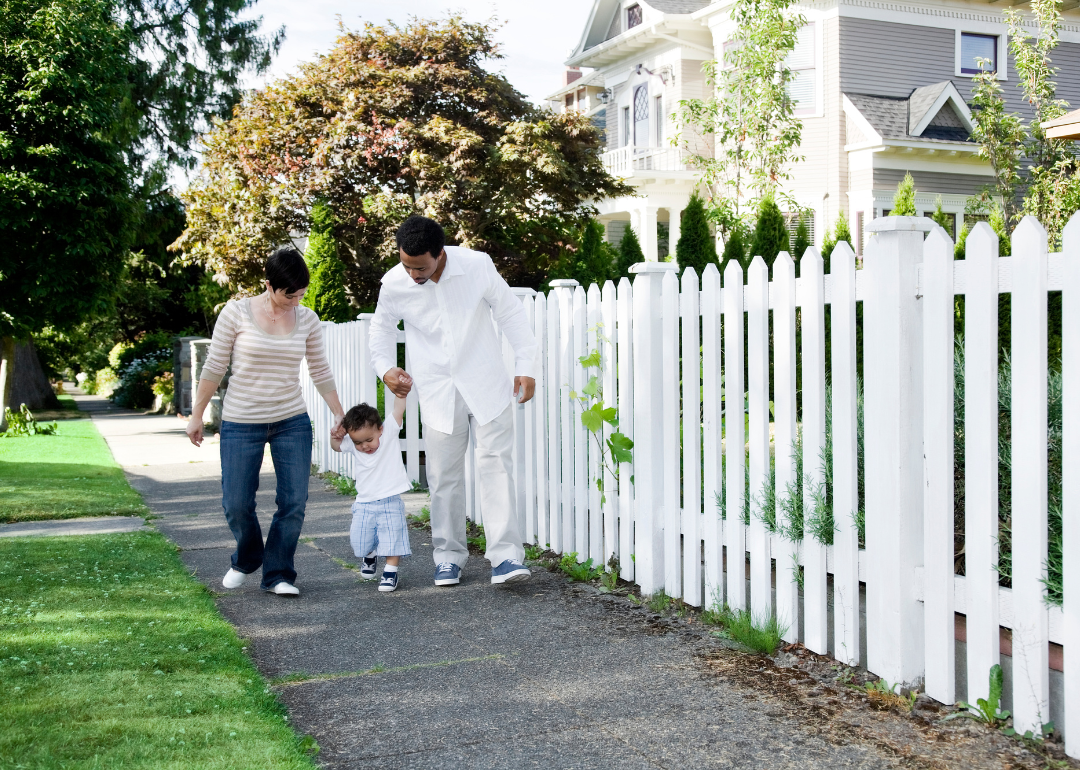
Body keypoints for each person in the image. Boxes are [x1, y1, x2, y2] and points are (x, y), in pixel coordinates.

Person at [369, 215, 537, 587]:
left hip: (487, 383)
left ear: (440, 253)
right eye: (406, 265)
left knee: (496, 467)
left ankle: (506, 557)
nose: (413, 274)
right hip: (436, 390)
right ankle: (448, 557)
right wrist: (385, 370)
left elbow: (510, 312)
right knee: (443, 476)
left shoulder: (477, 266)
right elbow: (379, 330)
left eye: (421, 267)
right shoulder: (394, 283)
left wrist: (526, 366)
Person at [185, 246, 345, 596]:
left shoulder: (307, 319)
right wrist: (197, 415)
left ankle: (278, 573)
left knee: (294, 502)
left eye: (301, 294)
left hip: (291, 419)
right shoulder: (236, 313)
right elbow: (214, 367)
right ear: (269, 285)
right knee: (236, 503)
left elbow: (319, 369)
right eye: (290, 295)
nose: (295, 302)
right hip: (242, 422)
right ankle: (248, 555)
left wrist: (338, 411)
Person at [330, 383, 413, 593]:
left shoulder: (388, 435)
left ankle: (390, 572)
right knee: (359, 540)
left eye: (369, 439)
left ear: (380, 429)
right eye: (359, 443)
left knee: (393, 538)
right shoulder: (353, 442)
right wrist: (335, 437)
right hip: (364, 503)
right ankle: (370, 554)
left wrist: (400, 393)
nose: (365, 446)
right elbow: (337, 447)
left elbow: (398, 410)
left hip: (390, 501)